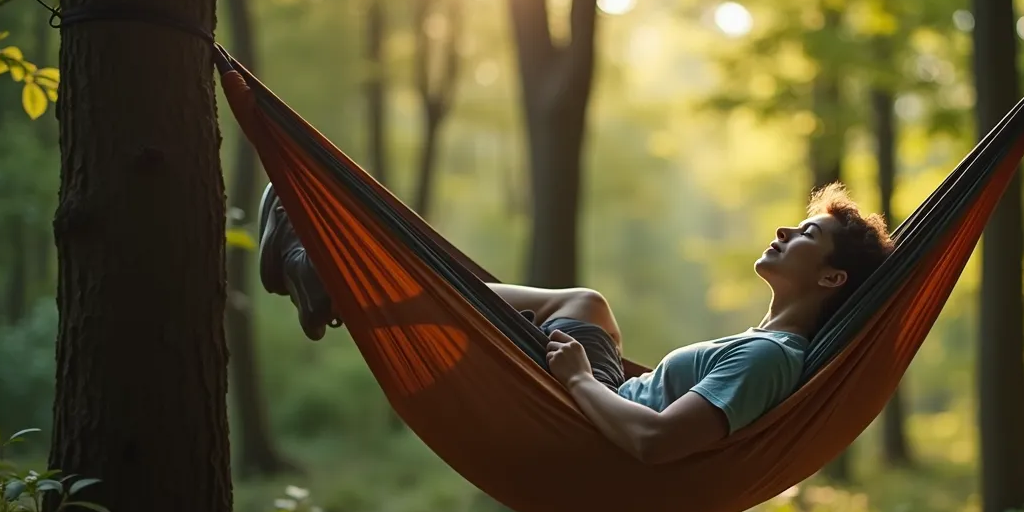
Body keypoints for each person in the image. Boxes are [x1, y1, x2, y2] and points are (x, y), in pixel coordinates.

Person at [257, 182, 894, 464]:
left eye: (808, 233)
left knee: (579, 305)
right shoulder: (763, 347)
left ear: (832, 278)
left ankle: (333, 282)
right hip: (598, 400)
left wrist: (578, 380)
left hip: (590, 426)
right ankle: (333, 284)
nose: (785, 230)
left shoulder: (768, 359)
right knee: (586, 306)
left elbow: (655, 443)